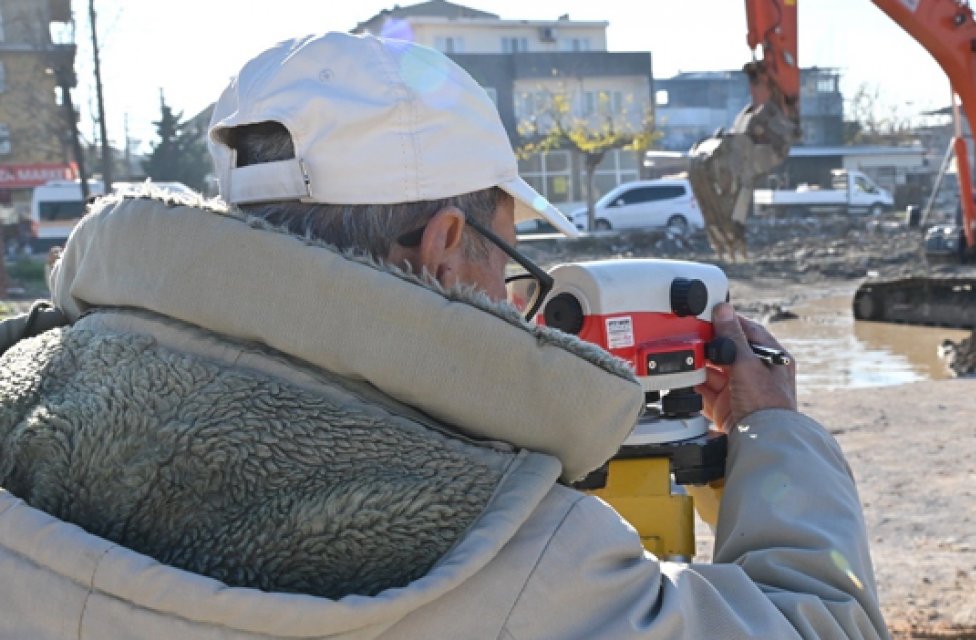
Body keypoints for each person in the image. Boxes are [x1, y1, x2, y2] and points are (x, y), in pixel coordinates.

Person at [0, 32, 888, 639]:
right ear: (446, 244)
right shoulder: (520, 552)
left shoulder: (26, 398)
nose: (512, 302)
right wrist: (780, 435)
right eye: (509, 260)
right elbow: (821, 622)